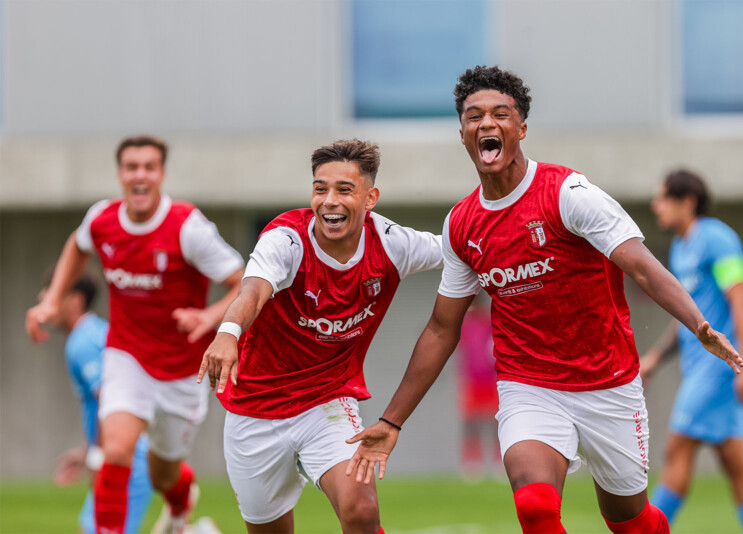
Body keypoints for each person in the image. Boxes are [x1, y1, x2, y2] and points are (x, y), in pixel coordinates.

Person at [345, 66, 743, 534]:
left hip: (608, 381)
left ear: (521, 129)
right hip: (528, 384)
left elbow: (641, 265)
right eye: (475, 116)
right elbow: (441, 327)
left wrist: (699, 326)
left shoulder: (568, 194)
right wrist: (392, 421)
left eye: (500, 114)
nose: (487, 124)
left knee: (629, 520)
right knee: (535, 506)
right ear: (463, 133)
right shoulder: (462, 224)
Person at [198, 139, 442, 534]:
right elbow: (253, 290)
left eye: (344, 190)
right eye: (320, 188)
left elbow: (464, 250)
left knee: (361, 509)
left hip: (326, 402)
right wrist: (227, 333)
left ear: (370, 197)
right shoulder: (285, 239)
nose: (330, 200)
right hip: (254, 410)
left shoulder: (393, 244)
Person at [25, 135, 245, 534]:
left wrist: (210, 316)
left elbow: (243, 281)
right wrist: (53, 300)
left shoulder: (187, 227)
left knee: (163, 473)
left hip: (181, 370)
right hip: (127, 357)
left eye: (149, 167)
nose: (139, 175)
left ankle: (180, 501)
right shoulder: (103, 220)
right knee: (117, 450)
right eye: (131, 167)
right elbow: (78, 245)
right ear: (120, 174)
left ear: (161, 174)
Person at [642, 169, 743, 534]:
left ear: (687, 202)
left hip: (717, 371)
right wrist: (655, 357)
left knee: (677, 449)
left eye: (662, 198)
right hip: (700, 368)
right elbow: (689, 316)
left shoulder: (719, 240)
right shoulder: (680, 247)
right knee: (735, 461)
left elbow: (741, 300)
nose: (656, 206)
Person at [42, 272, 153, 534]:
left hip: (126, 457)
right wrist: (86, 450)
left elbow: (111, 401)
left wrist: (97, 457)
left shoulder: (82, 343)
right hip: (130, 451)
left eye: (51, 292)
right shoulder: (97, 332)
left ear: (75, 300)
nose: (42, 298)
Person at [455, 293, 502, 479]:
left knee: (495, 422)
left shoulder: (490, 323)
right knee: (471, 423)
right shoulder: (465, 325)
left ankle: (500, 461)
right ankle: (473, 463)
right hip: (472, 380)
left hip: (491, 379)